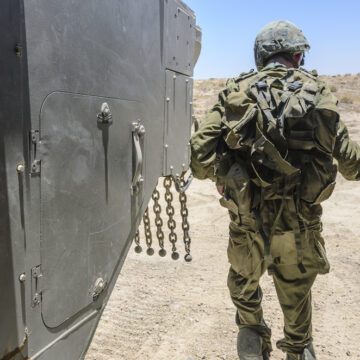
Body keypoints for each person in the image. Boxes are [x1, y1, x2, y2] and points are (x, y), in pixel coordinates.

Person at [190, 20, 360, 360]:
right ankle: (297, 349)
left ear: (261, 56)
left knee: (243, 283)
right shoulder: (317, 93)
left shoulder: (235, 92)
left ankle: (252, 333)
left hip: (247, 220)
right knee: (296, 296)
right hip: (299, 225)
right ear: (296, 56)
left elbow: (198, 158)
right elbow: (353, 165)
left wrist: (224, 176)